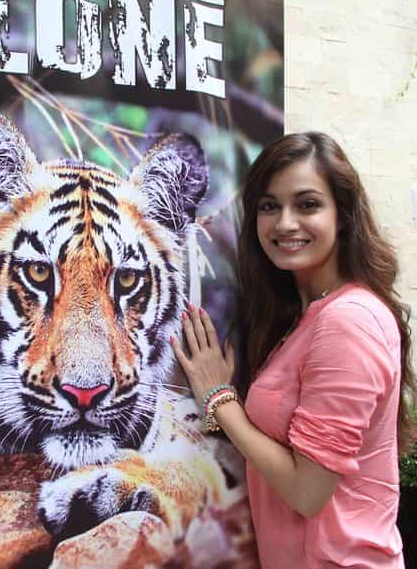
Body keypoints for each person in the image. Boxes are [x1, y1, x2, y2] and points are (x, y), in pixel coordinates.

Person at [171, 132, 417, 568]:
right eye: (269, 206)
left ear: (342, 215)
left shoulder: (348, 321)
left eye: (307, 205)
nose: (285, 223)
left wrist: (219, 398)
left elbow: (307, 492)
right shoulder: (308, 317)